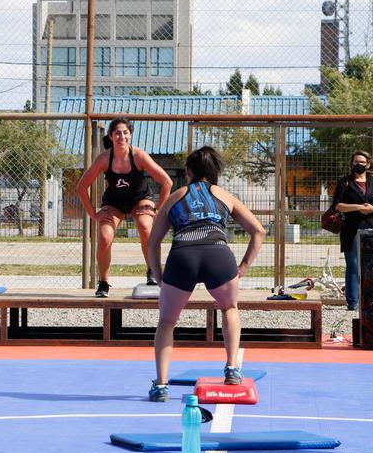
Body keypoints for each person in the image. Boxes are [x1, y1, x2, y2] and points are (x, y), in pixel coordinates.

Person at [146, 147, 266, 402]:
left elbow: (153, 241)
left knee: (167, 321)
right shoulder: (225, 195)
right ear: (215, 173)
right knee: (230, 308)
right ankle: (232, 369)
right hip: (218, 255)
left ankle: (161, 385)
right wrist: (243, 266)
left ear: (188, 171)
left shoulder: (177, 196)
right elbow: (258, 230)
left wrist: (159, 276)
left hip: (182, 256)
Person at [76, 117, 173, 297]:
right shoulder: (104, 159)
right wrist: (93, 214)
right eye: (118, 133)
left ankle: (152, 272)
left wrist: (159, 210)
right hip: (114, 202)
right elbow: (81, 187)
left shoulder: (138, 156)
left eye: (125, 132)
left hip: (140, 199)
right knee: (105, 237)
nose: (122, 136)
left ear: (130, 135)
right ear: (111, 136)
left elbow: (166, 181)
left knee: (145, 227)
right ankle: (103, 282)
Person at [331, 150, 373, 311]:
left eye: (362, 162)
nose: (359, 165)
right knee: (353, 265)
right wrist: (358, 207)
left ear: (368, 164)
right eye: (356, 162)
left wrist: (372, 208)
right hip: (352, 229)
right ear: (352, 164)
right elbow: (338, 205)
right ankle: (353, 302)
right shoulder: (345, 182)